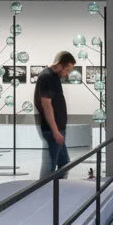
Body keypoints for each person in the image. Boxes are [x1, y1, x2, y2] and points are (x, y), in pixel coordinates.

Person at [34, 50, 76, 178]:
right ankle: (47, 188)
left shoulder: (53, 77)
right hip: (53, 130)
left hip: (57, 129)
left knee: (64, 162)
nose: (67, 74)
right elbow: (46, 105)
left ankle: (57, 187)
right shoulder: (48, 77)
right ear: (59, 65)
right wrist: (55, 131)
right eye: (67, 70)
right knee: (50, 166)